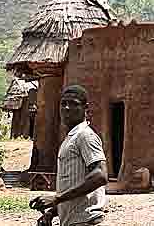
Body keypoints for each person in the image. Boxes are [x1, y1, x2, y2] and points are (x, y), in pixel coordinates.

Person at [30, 85, 108, 226]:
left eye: (73, 104)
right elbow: (74, 183)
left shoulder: (85, 136)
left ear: (86, 108)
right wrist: (52, 212)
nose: (66, 108)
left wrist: (56, 198)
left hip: (86, 221)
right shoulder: (71, 138)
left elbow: (100, 175)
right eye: (63, 104)